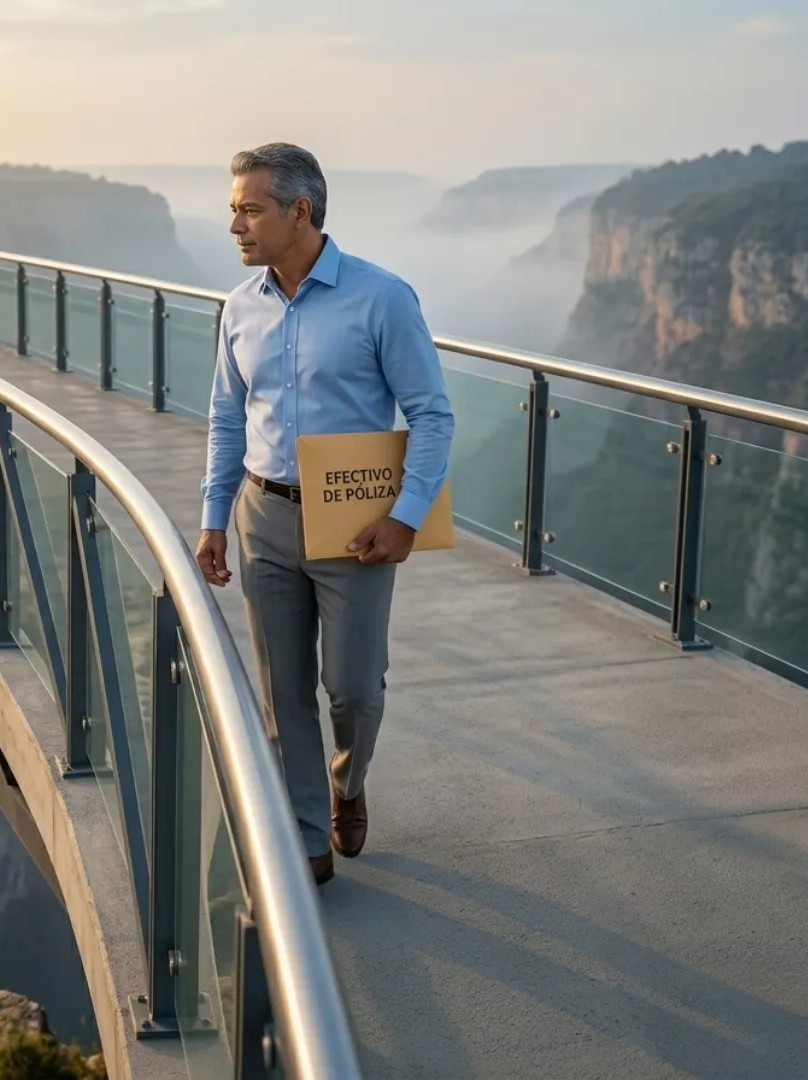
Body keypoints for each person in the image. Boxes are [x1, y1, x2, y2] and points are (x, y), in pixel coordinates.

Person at [196, 142, 455, 886]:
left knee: (352, 688)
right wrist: (216, 518)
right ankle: (308, 833)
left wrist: (406, 516)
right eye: (233, 209)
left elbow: (432, 414)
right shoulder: (239, 307)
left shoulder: (382, 298)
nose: (237, 225)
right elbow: (225, 416)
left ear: (299, 212)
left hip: (356, 521)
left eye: (251, 209)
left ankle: (347, 784)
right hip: (262, 515)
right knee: (283, 692)